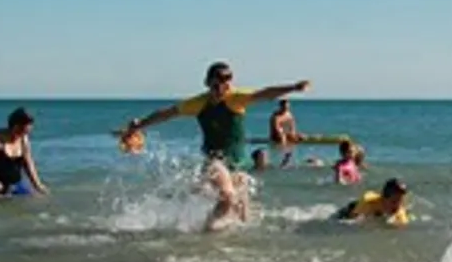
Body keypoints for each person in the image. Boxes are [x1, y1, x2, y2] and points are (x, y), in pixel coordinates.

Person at [118, 63, 310, 230]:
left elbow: (265, 93)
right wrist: (140, 125)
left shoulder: (236, 98)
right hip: (215, 161)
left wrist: (292, 87)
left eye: (227, 80)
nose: (223, 85)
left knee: (243, 218)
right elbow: (167, 113)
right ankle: (206, 233)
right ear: (208, 82)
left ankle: (213, 243)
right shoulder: (199, 103)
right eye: (218, 81)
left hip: (238, 163)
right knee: (227, 197)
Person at [0, 107, 48, 197]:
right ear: (14, 126)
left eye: (26, 132)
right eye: (21, 131)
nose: (23, 135)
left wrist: (37, 185)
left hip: (16, 185)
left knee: (36, 199)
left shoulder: (23, 139)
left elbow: (28, 163)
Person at [335, 178, 410, 226]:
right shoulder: (369, 202)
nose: (397, 205)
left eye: (401, 200)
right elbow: (354, 218)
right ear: (383, 198)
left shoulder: (399, 211)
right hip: (354, 207)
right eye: (394, 201)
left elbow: (401, 226)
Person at [268, 98, 301, 166]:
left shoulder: (289, 115)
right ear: (281, 107)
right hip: (277, 136)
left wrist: (294, 134)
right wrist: (284, 134)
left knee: (299, 137)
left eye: (287, 107)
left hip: (286, 134)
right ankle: (283, 156)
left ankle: (291, 155)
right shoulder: (276, 116)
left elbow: (293, 127)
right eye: (284, 107)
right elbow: (276, 129)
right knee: (282, 137)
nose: (286, 109)